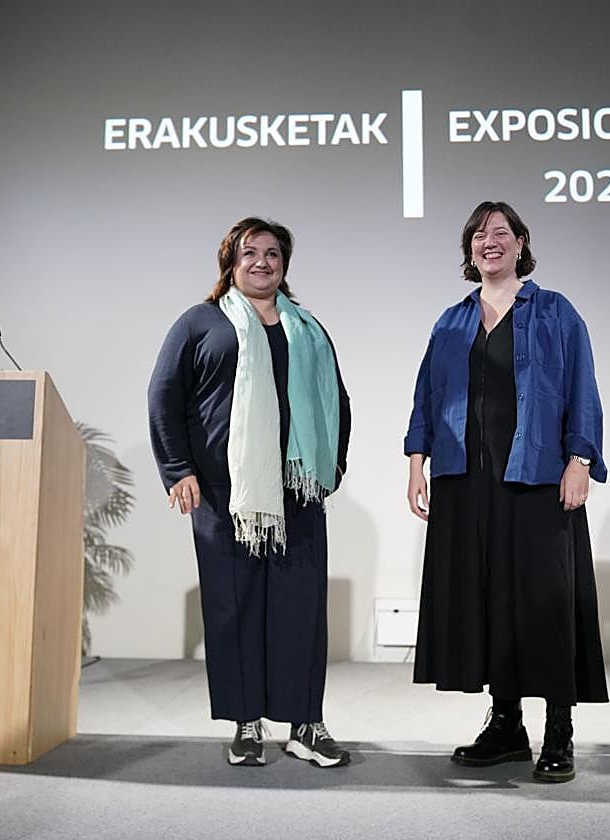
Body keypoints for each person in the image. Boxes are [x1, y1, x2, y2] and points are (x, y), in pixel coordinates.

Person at [404, 200, 609, 783]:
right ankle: (506, 726)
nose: (488, 242)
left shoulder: (554, 312)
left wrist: (580, 460)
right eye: (478, 235)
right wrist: (417, 463)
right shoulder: (451, 321)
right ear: (470, 250)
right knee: (488, 601)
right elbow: (427, 396)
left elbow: (582, 389)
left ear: (521, 243)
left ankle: (559, 734)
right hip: (467, 482)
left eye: (500, 233)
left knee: (545, 604)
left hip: (538, 479)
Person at [148, 216, 352, 769]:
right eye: (250, 252)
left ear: (284, 264)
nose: (261, 262)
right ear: (230, 262)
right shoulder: (201, 323)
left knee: (302, 612)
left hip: (297, 494)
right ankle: (246, 724)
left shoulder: (307, 327)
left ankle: (306, 723)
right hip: (223, 496)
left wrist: (328, 469)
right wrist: (178, 469)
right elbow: (164, 396)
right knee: (235, 611)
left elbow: (336, 398)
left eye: (272, 254)